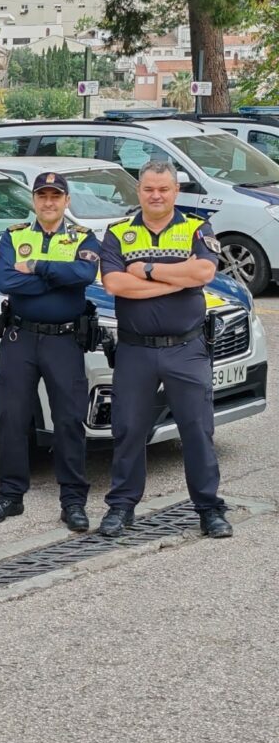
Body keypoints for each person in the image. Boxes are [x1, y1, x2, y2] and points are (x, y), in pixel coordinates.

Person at [98, 160, 232, 538]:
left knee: (197, 430)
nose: (156, 196)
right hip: (135, 351)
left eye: (163, 189)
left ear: (175, 191)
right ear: (138, 191)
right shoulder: (118, 232)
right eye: (148, 189)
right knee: (128, 430)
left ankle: (209, 509)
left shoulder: (195, 228)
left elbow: (204, 274)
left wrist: (148, 271)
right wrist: (178, 279)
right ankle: (121, 507)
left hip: (186, 350)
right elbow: (114, 284)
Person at [0, 173, 100, 530]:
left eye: (56, 196)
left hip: (64, 340)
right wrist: (57, 276)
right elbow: (7, 281)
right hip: (21, 338)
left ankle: (73, 500)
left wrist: (38, 266)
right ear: (34, 200)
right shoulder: (15, 236)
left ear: (66, 201)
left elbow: (85, 274)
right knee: (13, 417)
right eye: (42, 196)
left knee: (68, 419)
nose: (49, 202)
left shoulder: (83, 237)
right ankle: (11, 495)